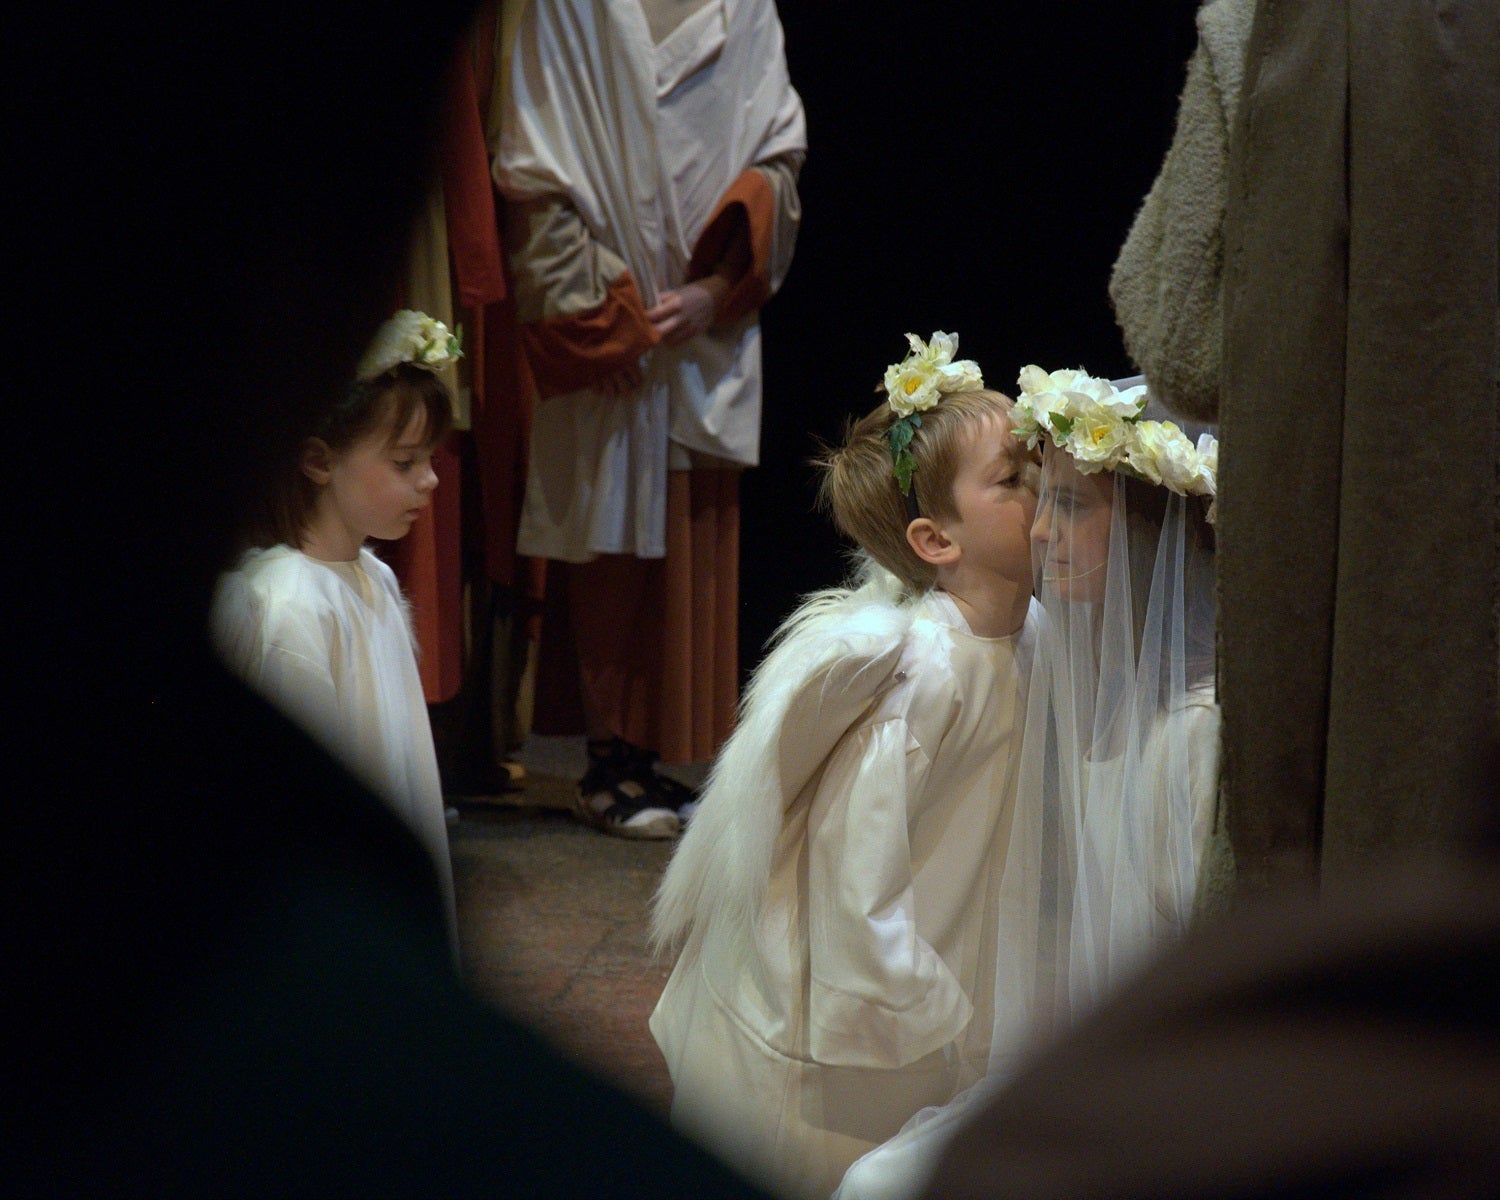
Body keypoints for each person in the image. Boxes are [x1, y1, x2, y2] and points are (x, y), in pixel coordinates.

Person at [648, 333, 1039, 1199]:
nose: (1042, 489)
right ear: (937, 539)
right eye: (1014, 479)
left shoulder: (1033, 642)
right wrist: (921, 1000)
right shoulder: (923, 673)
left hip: (964, 949)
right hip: (874, 1004)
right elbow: (853, 865)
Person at [837, 366, 1221, 1200]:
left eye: (1074, 507)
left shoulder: (1197, 732)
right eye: (1036, 496)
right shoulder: (1056, 665)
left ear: (1153, 529)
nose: (1041, 530)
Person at [491, 0, 807, 838]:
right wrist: (598, 314)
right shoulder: (569, 9)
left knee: (689, 534)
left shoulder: (746, 11)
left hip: (704, 329)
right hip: (614, 332)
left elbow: (777, 161)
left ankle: (663, 754)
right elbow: (533, 162)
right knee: (605, 535)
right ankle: (609, 761)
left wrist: (717, 290)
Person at [212, 310, 462, 947]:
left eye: (429, 459)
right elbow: (294, 805)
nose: (430, 480)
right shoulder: (288, 603)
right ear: (319, 461)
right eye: (405, 462)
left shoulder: (372, 578)